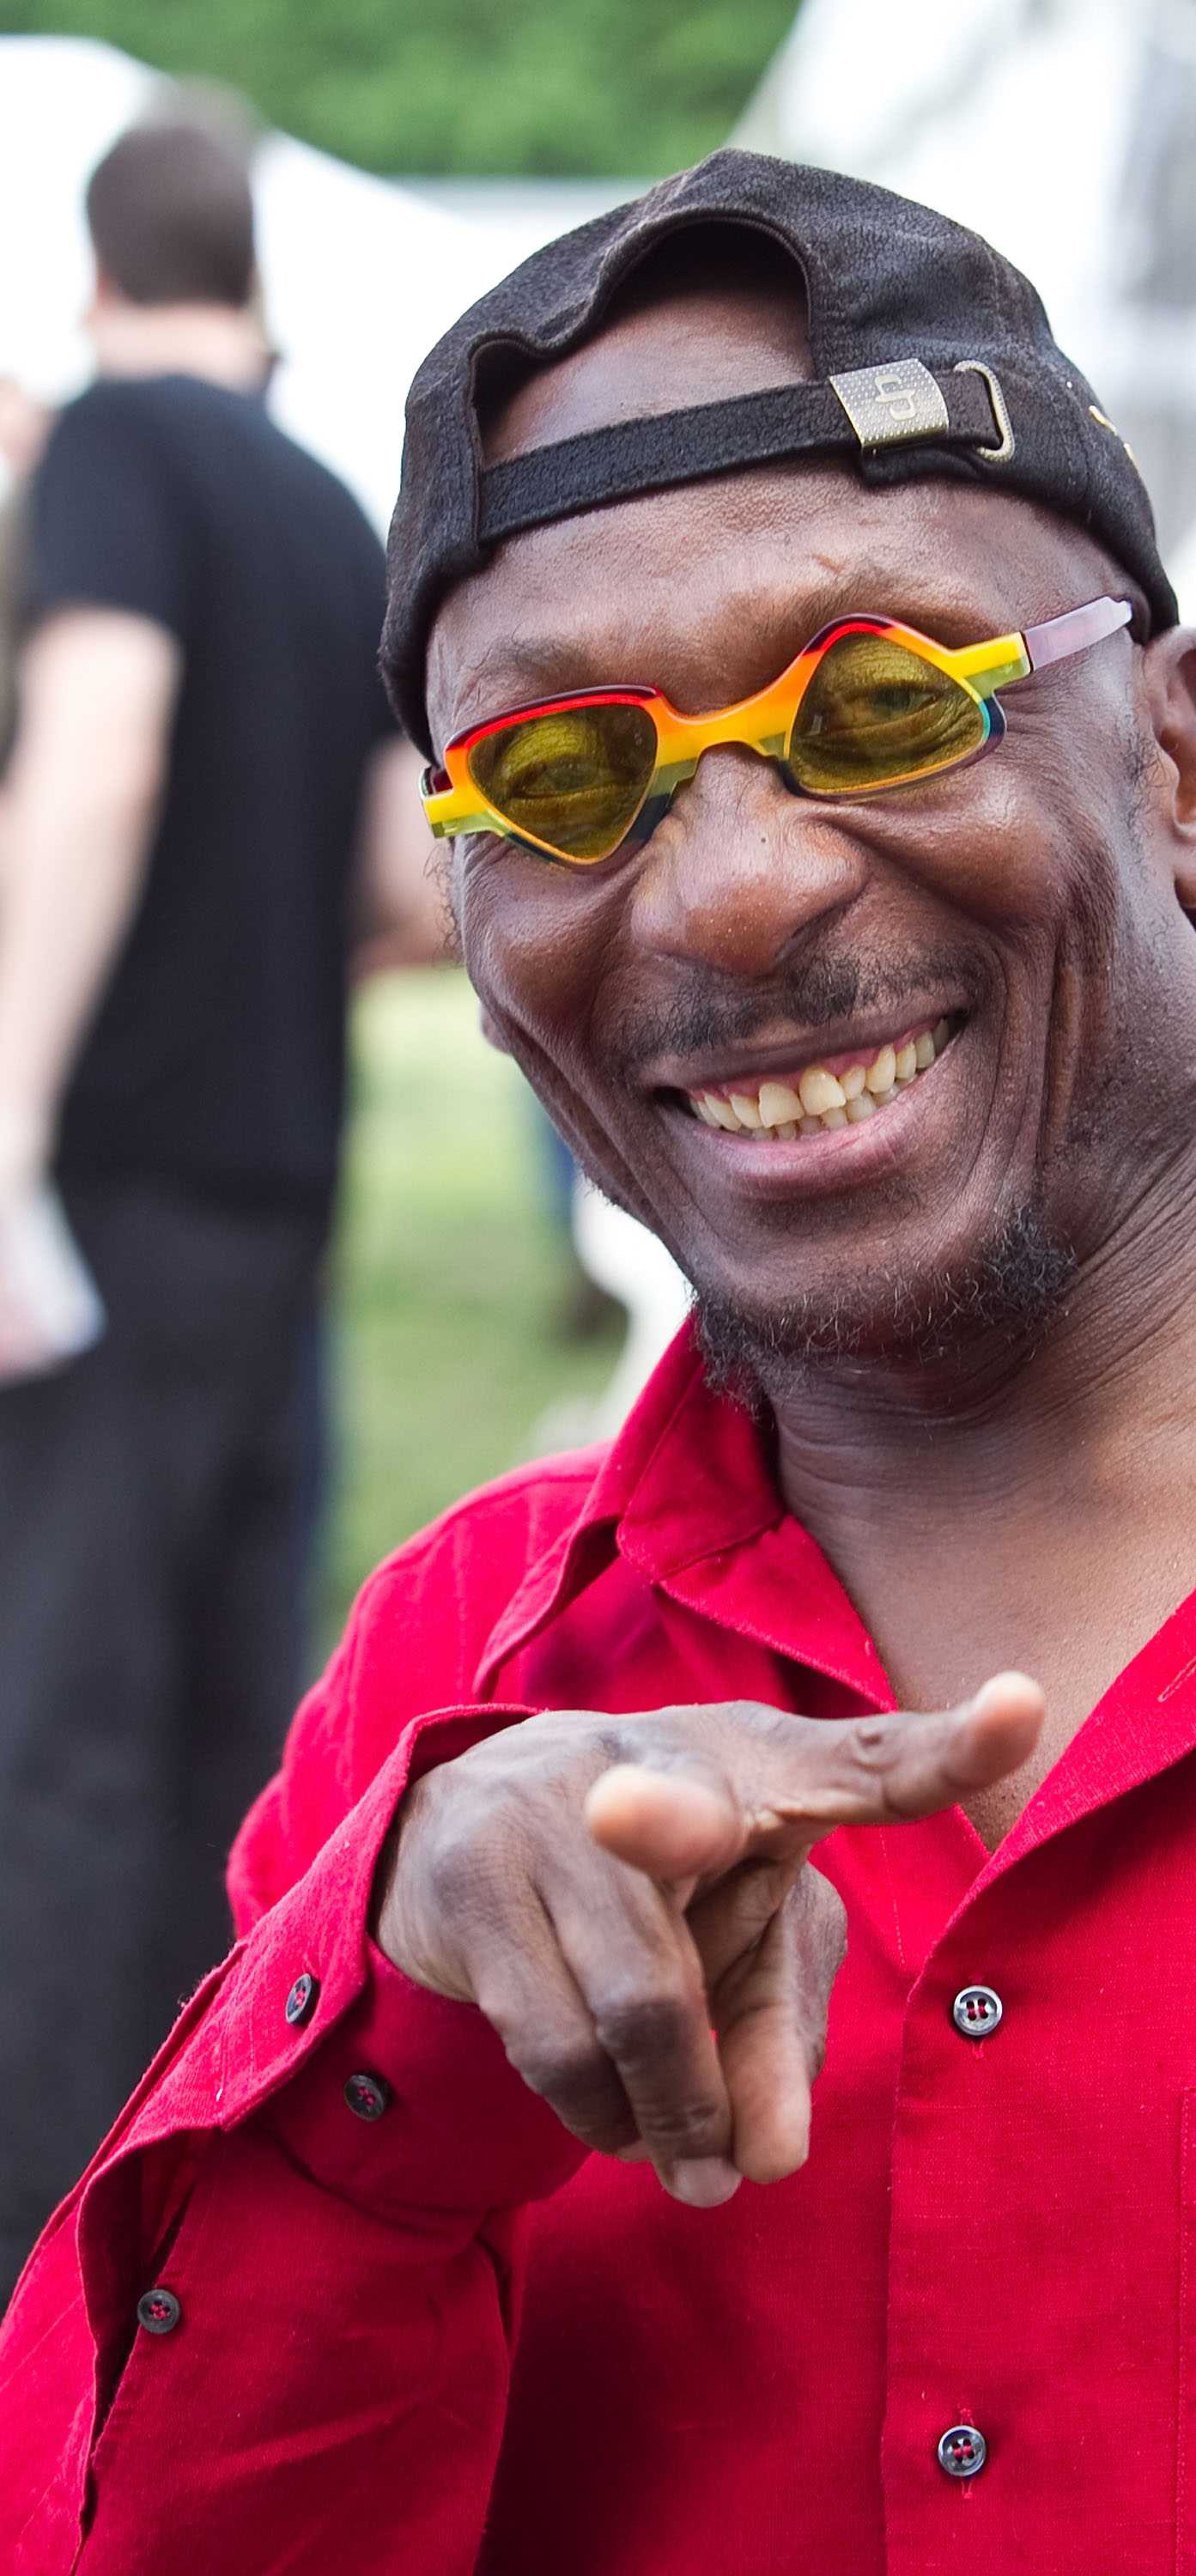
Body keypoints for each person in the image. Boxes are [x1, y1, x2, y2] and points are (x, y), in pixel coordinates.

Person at [3, 149, 1196, 2570]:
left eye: (886, 706)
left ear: (1186, 764)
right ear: (474, 935)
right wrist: (385, 2076)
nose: (734, 884)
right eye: (570, 783)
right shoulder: (452, 1699)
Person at [0, 118, 441, 2286]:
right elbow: (398, 882)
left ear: (90, 277)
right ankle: (184, 2226)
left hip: (109, 1196)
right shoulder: (320, 497)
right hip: (282, 1186)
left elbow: (101, 755)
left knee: (57, 1735)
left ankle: (35, 2264)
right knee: (213, 1726)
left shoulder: (108, 455)